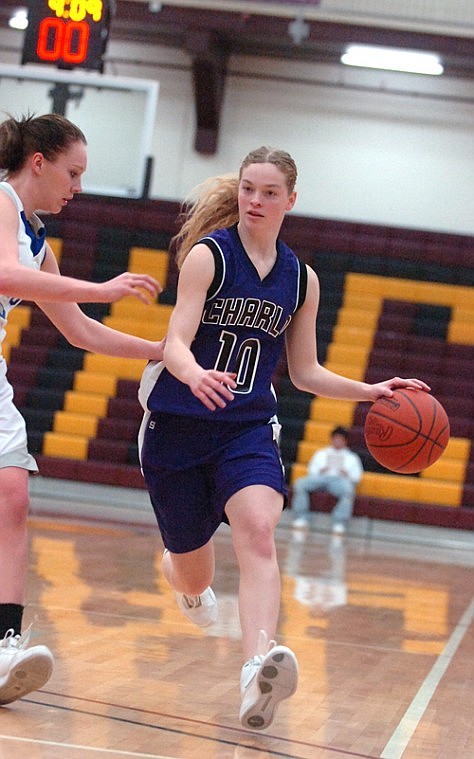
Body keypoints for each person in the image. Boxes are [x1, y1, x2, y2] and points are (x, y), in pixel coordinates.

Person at [138, 146, 429, 730]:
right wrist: (193, 374)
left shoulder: (301, 280)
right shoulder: (207, 257)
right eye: (248, 188)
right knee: (193, 571)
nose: (255, 201)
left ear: (290, 201)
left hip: (246, 426)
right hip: (176, 425)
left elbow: (305, 373)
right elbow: (173, 342)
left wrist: (371, 391)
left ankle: (256, 667)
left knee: (259, 530)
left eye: (269, 192)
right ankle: (183, 578)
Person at [0, 113, 166, 706]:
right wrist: (99, 287)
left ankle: (4, 645)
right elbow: (2, 275)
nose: (77, 187)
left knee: (12, 498)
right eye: (72, 173)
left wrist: (160, 349)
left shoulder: (36, 239)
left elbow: (80, 333)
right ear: (38, 161)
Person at [291, 426, 363, 534]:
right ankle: (301, 517)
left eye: (340, 439)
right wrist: (321, 470)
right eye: (336, 438)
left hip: (340, 481)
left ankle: (339, 522)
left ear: (345, 441)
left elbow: (356, 477)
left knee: (348, 491)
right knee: (300, 484)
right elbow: (312, 471)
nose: (338, 441)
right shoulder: (321, 453)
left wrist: (346, 474)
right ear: (332, 439)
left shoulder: (352, 458)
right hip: (321, 478)